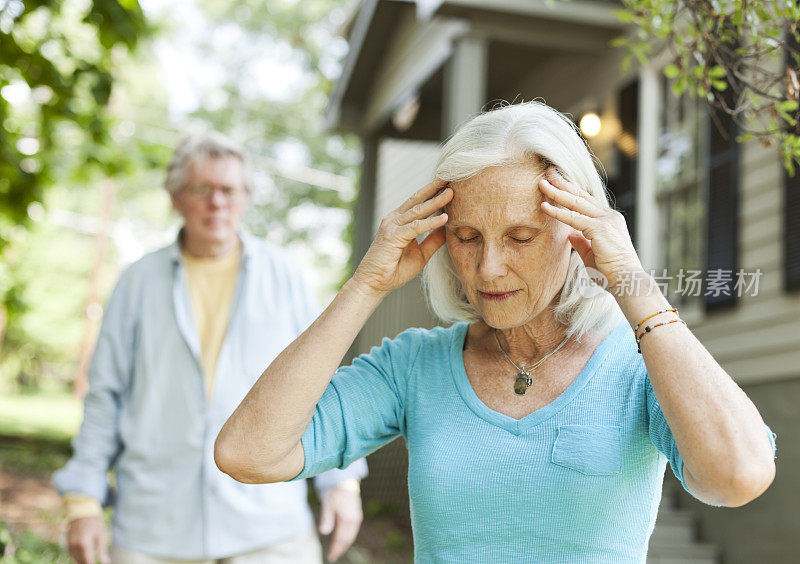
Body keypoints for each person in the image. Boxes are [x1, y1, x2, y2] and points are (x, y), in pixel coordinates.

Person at [214, 102, 778, 562]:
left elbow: (738, 477)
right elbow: (249, 453)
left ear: (578, 231)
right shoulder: (415, 366)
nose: (487, 269)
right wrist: (366, 284)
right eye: (466, 236)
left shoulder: (639, 363)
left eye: (521, 237)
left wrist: (632, 284)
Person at [52, 132, 367, 564]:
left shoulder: (286, 277)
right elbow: (105, 396)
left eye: (229, 190)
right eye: (202, 189)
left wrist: (341, 482)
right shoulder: (136, 283)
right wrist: (83, 502)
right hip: (152, 531)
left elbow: (320, 386)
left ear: (246, 197)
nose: (217, 202)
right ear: (176, 198)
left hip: (270, 529)